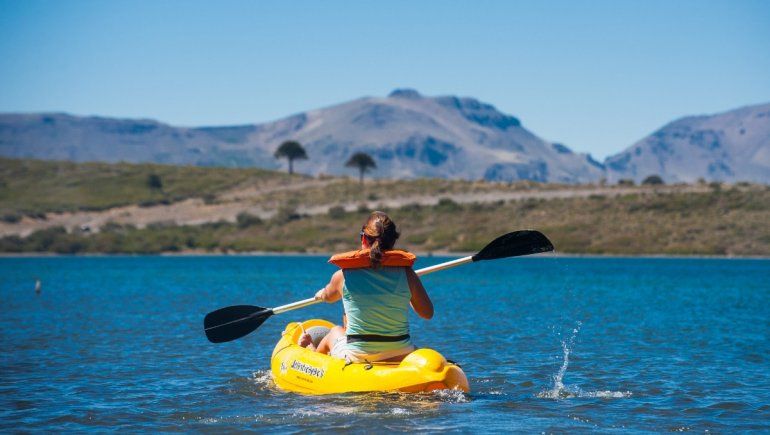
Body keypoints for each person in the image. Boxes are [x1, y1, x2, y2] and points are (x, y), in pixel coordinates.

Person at [299, 211, 433, 362]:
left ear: (363, 238)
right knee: (345, 324)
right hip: (402, 352)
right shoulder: (408, 275)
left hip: (359, 356)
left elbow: (328, 297)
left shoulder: (343, 276)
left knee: (335, 331)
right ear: (392, 242)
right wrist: (407, 290)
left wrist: (321, 294)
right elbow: (427, 313)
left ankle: (311, 350)